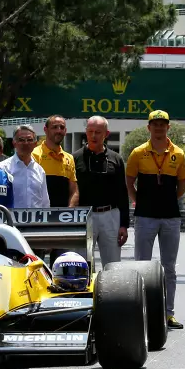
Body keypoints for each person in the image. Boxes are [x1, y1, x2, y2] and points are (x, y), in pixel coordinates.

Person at [126, 110, 185, 330]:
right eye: (155, 124)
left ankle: (168, 313)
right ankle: (139, 312)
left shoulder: (178, 153)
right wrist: (138, 201)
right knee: (141, 265)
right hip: (145, 217)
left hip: (171, 217)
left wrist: (168, 201)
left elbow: (181, 186)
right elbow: (129, 181)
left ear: (168, 127)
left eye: (163, 124)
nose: (159, 128)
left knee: (169, 267)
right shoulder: (138, 152)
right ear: (149, 127)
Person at [72, 116, 129, 270]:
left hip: (110, 215)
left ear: (106, 133)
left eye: (98, 132)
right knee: (82, 265)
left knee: (113, 266)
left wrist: (124, 224)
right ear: (86, 132)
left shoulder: (116, 159)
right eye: (90, 131)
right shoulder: (74, 158)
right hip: (83, 216)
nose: (93, 135)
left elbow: (122, 192)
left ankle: (113, 294)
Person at [0, 125, 50, 209]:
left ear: (35, 144)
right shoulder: (2, 168)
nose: (26, 143)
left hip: (36, 220)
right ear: (14, 143)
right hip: (10, 220)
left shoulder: (40, 171)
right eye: (21, 140)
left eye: (29, 140)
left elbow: (45, 202)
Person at [32, 115, 78, 208]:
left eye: (62, 127)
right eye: (54, 127)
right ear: (46, 130)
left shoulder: (69, 158)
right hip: (40, 216)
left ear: (65, 131)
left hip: (63, 218)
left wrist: (69, 212)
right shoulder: (34, 154)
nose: (59, 130)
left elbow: (74, 191)